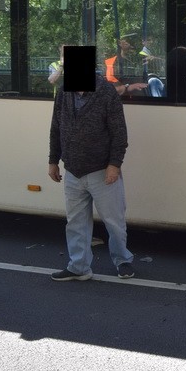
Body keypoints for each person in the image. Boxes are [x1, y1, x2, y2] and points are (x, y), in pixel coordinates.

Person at [48, 68, 135, 280]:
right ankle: (79, 266)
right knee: (76, 222)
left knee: (113, 221)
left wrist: (114, 165)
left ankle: (122, 260)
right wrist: (53, 160)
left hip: (102, 170)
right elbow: (56, 128)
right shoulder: (63, 92)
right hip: (73, 170)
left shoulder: (106, 92)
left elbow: (119, 133)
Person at [104, 33, 147, 97]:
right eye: (128, 41)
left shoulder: (143, 61)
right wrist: (128, 87)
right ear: (120, 43)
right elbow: (111, 89)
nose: (132, 45)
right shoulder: (110, 63)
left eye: (135, 41)